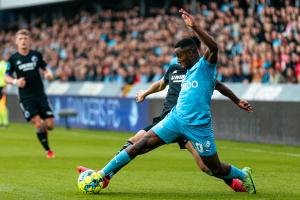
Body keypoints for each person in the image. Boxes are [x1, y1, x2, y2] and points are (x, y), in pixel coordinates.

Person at [79, 9, 256, 194]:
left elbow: (214, 48)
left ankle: (243, 176)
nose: (178, 60)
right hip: (175, 119)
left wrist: (195, 27)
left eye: (181, 56)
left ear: (192, 53)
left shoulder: (205, 67)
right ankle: (102, 175)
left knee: (213, 167)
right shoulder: (181, 70)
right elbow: (166, 83)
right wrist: (146, 93)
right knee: (140, 144)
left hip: (198, 126)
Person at [5, 29, 56, 158]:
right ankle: (48, 150)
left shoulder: (36, 55)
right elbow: (6, 77)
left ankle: (43, 128)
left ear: (30, 41)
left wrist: (48, 74)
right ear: (17, 42)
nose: (23, 41)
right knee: (37, 123)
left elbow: (45, 69)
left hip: (40, 95)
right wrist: (16, 82)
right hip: (26, 97)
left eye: (25, 39)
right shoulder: (13, 59)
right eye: (21, 39)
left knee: (50, 125)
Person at [0, 59, 9, 127]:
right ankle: (0, 122)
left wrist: (5, 87)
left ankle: (5, 122)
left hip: (2, 87)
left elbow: (6, 76)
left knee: (2, 105)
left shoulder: (4, 64)